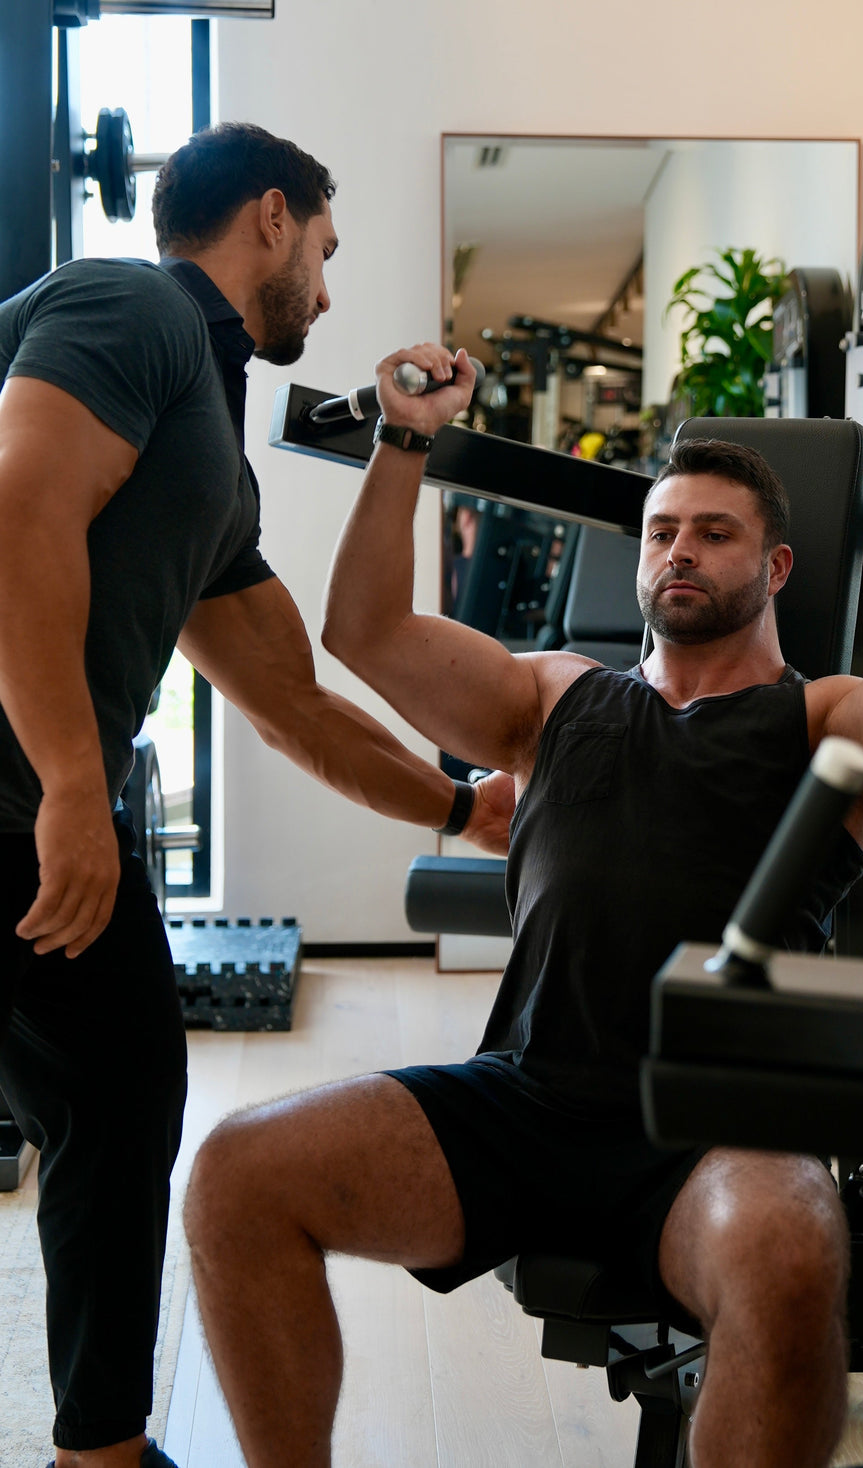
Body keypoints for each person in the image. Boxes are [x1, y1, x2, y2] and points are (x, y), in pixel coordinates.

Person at [183, 339, 863, 1468]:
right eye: (664, 530)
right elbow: (367, 634)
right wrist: (402, 437)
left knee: (794, 1253)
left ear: (775, 569)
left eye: (713, 533)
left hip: (716, 1136)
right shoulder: (553, 697)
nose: (680, 549)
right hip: (527, 1097)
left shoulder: (823, 727)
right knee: (236, 1174)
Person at [0, 126, 509, 1468]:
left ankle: (98, 1442)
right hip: (20, 798)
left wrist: (462, 809)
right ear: (271, 219)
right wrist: (69, 784)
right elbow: (17, 516)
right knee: (114, 1094)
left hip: (29, 806)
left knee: (111, 1096)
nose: (329, 294)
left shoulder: (206, 459)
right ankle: (101, 1450)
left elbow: (290, 701)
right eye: (327, 253)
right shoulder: (132, 306)